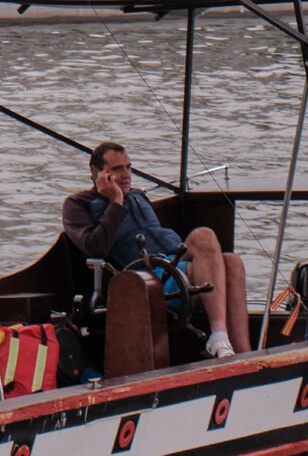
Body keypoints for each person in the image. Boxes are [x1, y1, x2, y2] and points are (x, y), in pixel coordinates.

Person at [62, 141, 249, 359]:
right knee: (203, 236)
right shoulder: (77, 204)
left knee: (232, 262)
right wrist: (115, 201)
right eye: (117, 169)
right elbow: (95, 247)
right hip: (145, 277)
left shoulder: (138, 196)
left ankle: (242, 355)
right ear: (97, 173)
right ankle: (218, 336)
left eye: (128, 167)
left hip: (171, 261)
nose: (126, 175)